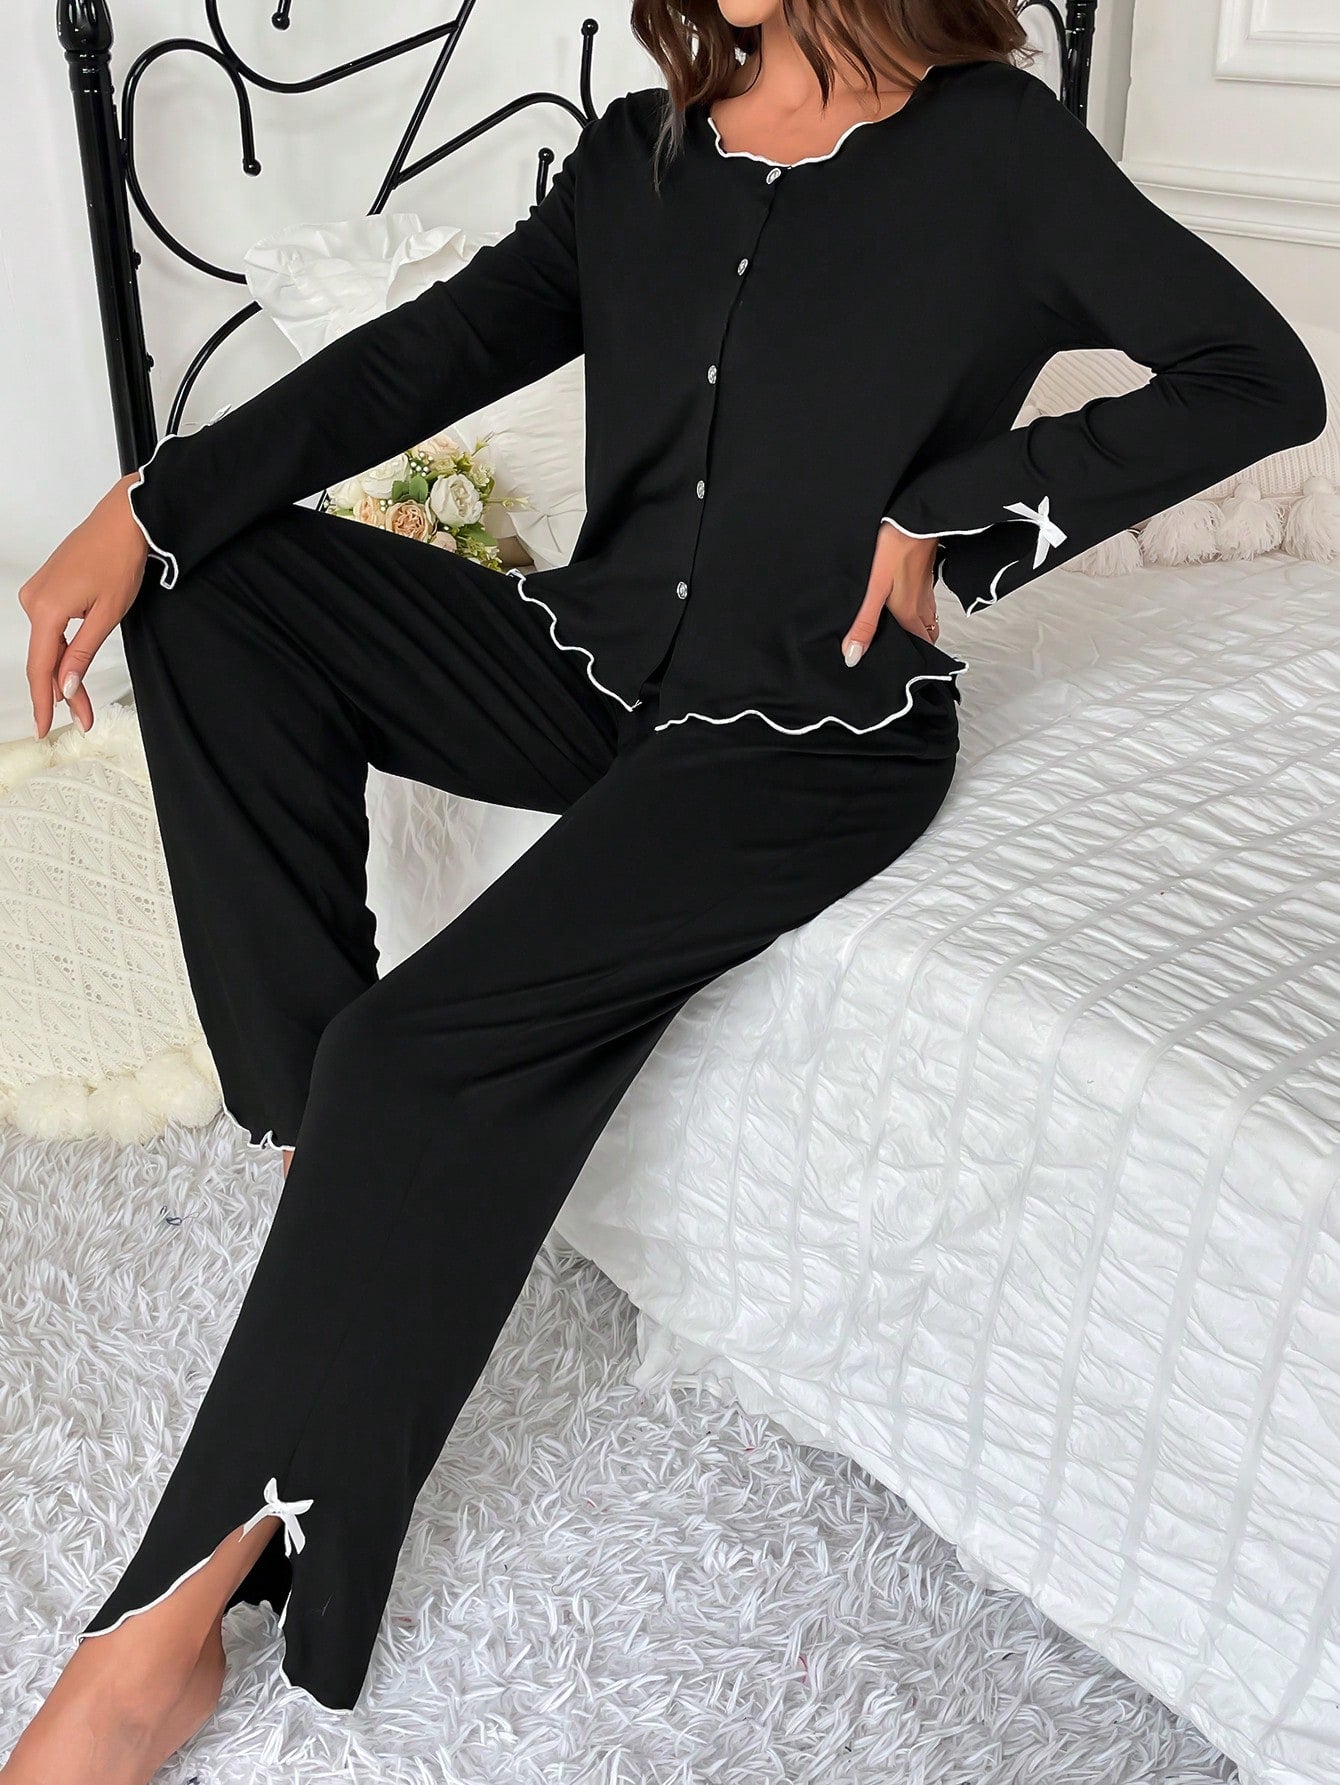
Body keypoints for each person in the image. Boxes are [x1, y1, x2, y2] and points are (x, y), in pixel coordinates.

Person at [6, 0, 1325, 1778]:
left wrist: (966, 511)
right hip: (595, 661)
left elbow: (1261, 374)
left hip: (811, 726)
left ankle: (162, 1632)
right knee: (213, 591)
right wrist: (151, 503)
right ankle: (333, 1150)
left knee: (414, 1051)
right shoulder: (641, 156)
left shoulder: (994, 148)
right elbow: (415, 359)